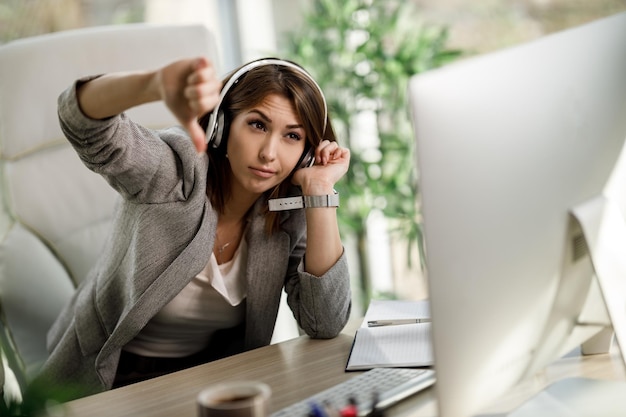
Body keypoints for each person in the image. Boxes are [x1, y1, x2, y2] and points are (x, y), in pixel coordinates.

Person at [38, 56, 352, 398]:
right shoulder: (174, 172)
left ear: (306, 153)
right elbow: (83, 124)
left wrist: (320, 192)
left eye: (292, 136)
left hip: (214, 381)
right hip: (109, 378)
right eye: (257, 125)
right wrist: (153, 83)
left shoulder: (288, 210)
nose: (268, 154)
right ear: (221, 125)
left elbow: (325, 322)